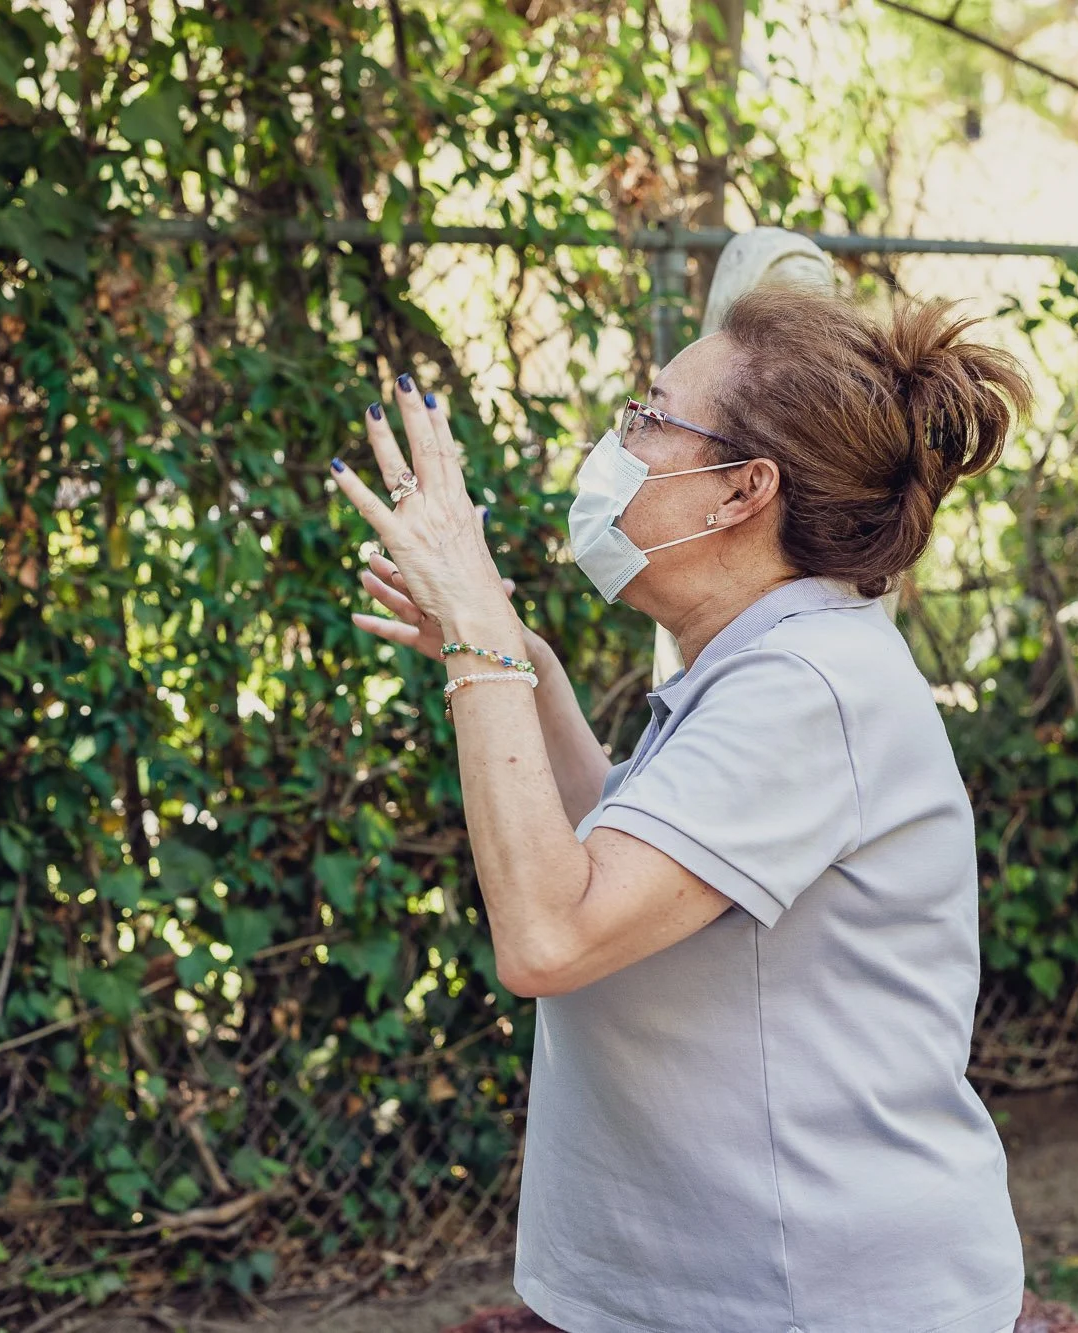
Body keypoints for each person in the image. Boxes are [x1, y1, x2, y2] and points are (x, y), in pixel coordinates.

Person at [330, 287, 1030, 1333]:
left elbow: (550, 934)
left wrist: (481, 641)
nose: (616, 442)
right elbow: (624, 866)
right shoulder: (756, 661)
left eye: (649, 416)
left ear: (740, 490)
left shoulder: (804, 687)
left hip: (807, 1298)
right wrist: (522, 663)